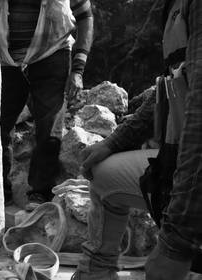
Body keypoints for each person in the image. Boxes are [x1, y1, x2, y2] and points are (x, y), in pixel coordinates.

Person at [74, 0, 202, 279]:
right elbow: (167, 89)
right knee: (102, 171)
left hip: (194, 174)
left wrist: (176, 242)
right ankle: (96, 273)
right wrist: (112, 143)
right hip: (182, 162)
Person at [0, 0, 94, 206]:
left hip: (52, 54)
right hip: (9, 59)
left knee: (49, 126)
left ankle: (40, 192)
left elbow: (85, 17)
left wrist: (78, 69)